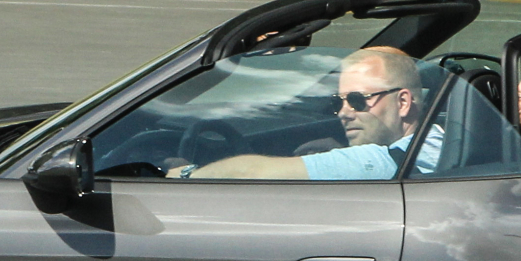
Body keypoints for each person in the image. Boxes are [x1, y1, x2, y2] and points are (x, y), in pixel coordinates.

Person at [177, 45, 437, 179]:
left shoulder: (391, 160)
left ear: (403, 102)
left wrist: (187, 174)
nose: (343, 113)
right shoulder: (439, 142)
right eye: (338, 102)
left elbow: (249, 173)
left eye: (358, 100)